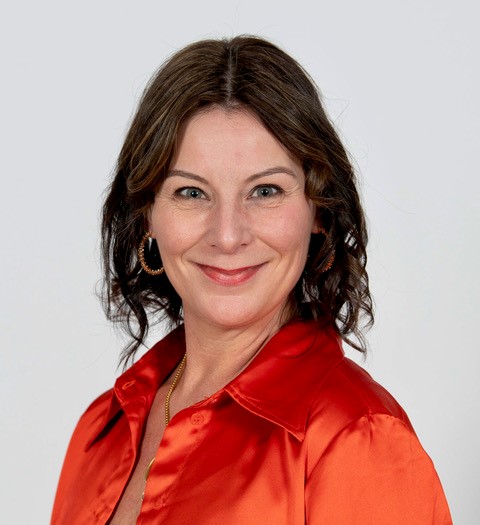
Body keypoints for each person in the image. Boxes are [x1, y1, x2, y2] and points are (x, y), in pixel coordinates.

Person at [51, 36, 452, 524]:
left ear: (319, 211)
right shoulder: (102, 429)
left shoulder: (357, 437)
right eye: (191, 192)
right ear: (148, 217)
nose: (227, 234)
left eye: (265, 191)